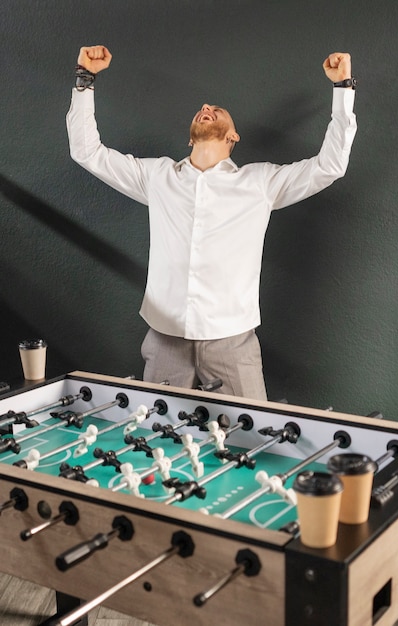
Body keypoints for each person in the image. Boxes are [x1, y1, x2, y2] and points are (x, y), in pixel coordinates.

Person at [67, 46, 357, 400]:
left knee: (249, 441)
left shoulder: (261, 183)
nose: (206, 108)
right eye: (202, 110)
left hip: (233, 341)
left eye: (217, 111)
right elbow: (87, 152)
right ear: (190, 137)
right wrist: (85, 78)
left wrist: (343, 88)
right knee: (157, 441)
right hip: (165, 338)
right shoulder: (156, 176)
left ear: (233, 137)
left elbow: (329, 166)